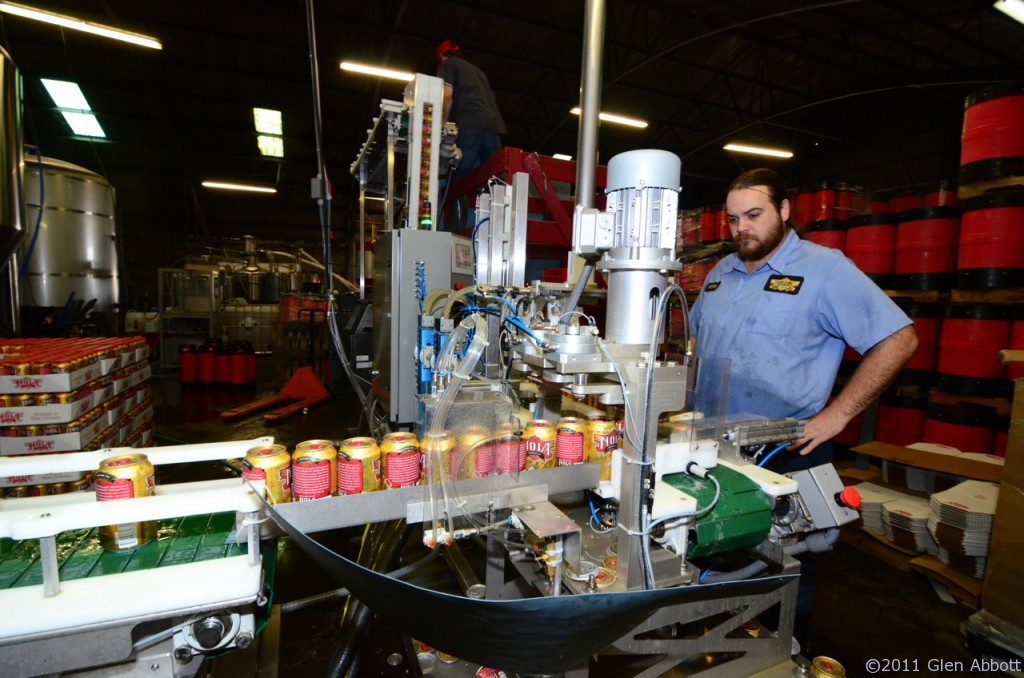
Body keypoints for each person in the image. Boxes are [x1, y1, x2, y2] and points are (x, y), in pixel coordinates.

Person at [688, 167, 918, 649]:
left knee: (785, 562)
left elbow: (899, 339)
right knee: (715, 547)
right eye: (732, 220)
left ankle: (785, 650)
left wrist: (839, 414)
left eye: (754, 215)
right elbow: (694, 348)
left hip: (785, 449)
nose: (741, 229)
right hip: (712, 448)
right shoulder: (720, 273)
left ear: (785, 210)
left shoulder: (825, 270)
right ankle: (718, 641)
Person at [436, 39, 507, 179]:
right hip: (493, 127)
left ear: (442, 56)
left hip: (471, 124)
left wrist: (442, 124)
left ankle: (448, 198)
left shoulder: (448, 64)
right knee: (493, 177)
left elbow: (447, 94)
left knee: (457, 175)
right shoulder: (479, 72)